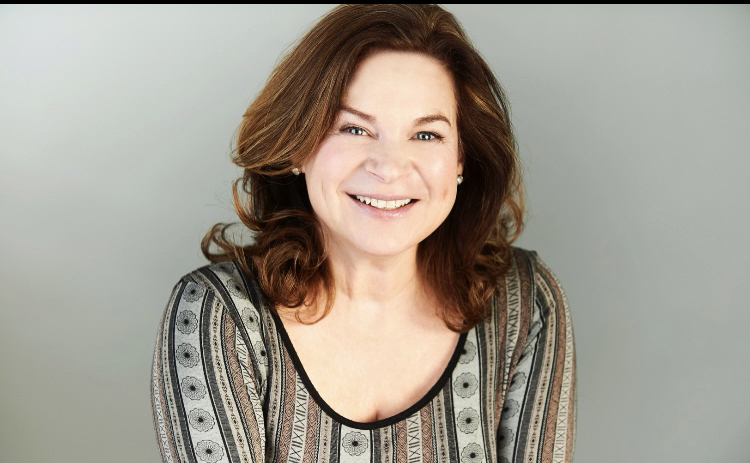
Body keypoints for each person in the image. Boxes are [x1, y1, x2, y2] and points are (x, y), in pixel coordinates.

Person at [151, 4, 576, 462]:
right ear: (299, 144)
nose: (390, 167)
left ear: (460, 161)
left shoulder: (525, 303)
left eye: (427, 135)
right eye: (353, 128)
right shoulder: (219, 316)